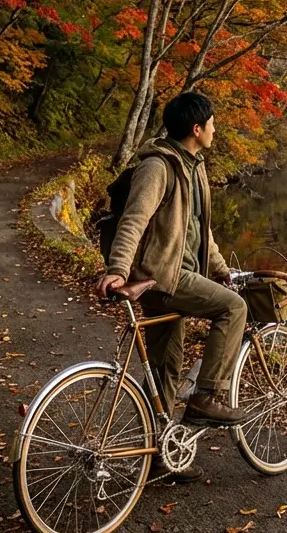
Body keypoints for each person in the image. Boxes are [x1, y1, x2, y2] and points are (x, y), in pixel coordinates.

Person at [96, 91, 248, 482]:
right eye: (212, 123)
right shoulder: (158, 167)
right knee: (233, 308)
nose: (216, 128)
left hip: (175, 273)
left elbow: (200, 231)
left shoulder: (193, 167)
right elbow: (135, 218)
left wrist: (217, 269)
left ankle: (160, 455)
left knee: (166, 368)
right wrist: (118, 269)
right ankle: (206, 396)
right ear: (197, 129)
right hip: (163, 276)